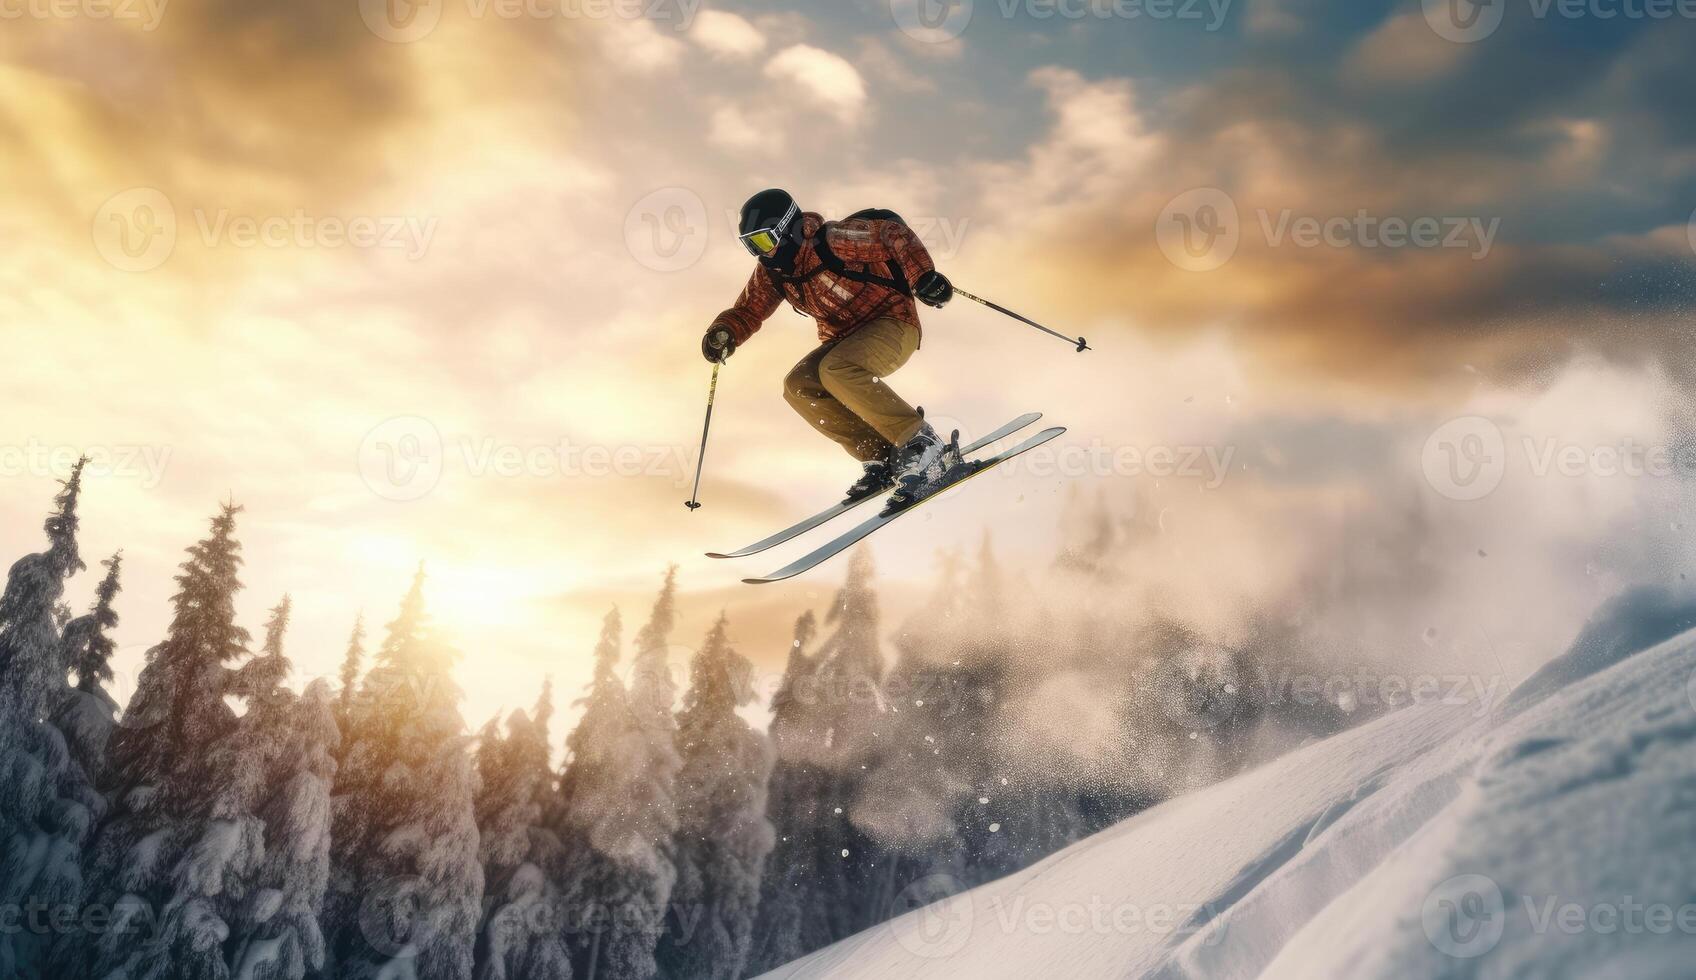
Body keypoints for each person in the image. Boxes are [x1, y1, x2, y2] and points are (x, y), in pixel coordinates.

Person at [702, 188, 958, 508]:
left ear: (786, 227)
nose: (761, 253)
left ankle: (920, 441)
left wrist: (923, 277)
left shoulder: (833, 240)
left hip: (893, 322)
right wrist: (724, 332)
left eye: (764, 241)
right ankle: (880, 455)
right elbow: (749, 310)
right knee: (799, 385)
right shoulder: (775, 272)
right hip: (846, 339)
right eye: (751, 245)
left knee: (835, 370)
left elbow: (893, 234)